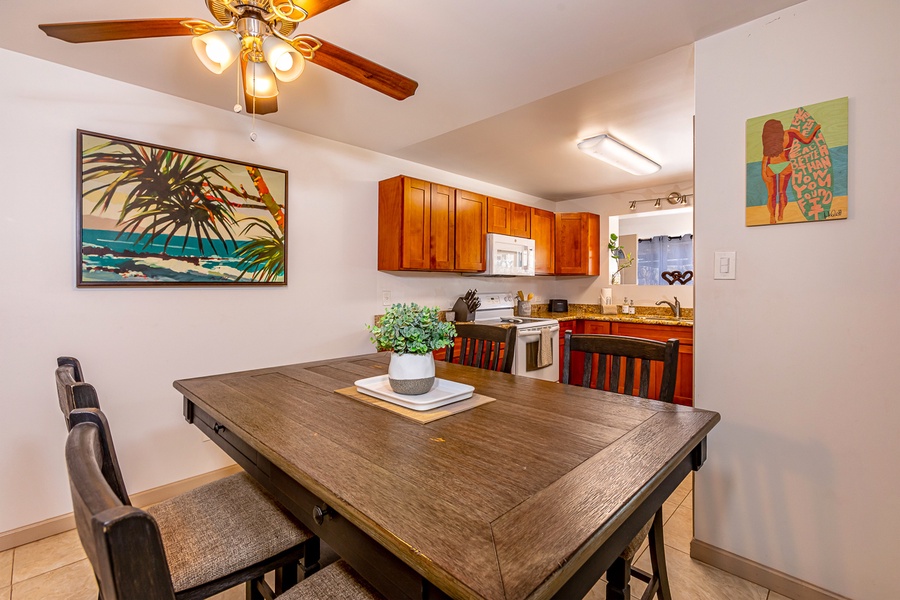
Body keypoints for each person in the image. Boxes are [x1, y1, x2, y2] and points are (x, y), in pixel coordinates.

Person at [761, 119, 820, 224]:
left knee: (771, 194)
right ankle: (781, 214)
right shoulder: (790, 133)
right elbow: (807, 141)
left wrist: (763, 172)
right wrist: (815, 130)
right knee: (782, 192)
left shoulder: (770, 139)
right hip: (785, 166)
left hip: (771, 166)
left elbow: (765, 158)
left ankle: (772, 216)